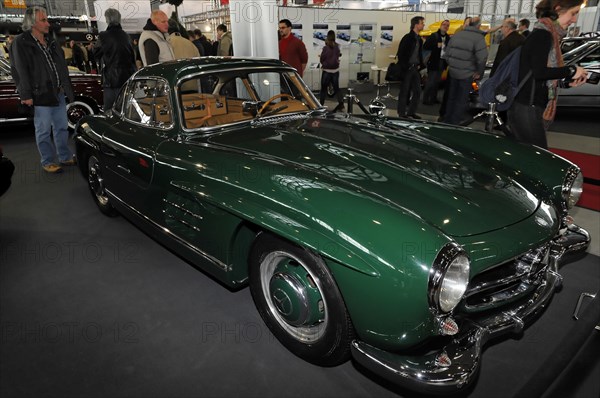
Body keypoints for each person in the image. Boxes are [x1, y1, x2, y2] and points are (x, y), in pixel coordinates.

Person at [507, 0, 587, 148]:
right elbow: (539, 72)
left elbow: (538, 74)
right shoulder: (543, 34)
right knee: (538, 159)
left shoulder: (544, 33)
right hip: (527, 107)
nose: (575, 19)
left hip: (526, 106)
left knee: (529, 157)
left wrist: (566, 82)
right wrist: (572, 70)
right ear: (557, 9)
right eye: (573, 13)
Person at [10, 6, 76, 173]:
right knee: (44, 130)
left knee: (61, 127)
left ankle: (64, 156)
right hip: (40, 95)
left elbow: (62, 67)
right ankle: (47, 161)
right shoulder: (21, 42)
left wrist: (67, 89)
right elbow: (19, 71)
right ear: (32, 23)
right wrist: (26, 94)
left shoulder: (51, 41)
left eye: (47, 19)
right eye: (43, 20)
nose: (48, 23)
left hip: (58, 93)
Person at [444, 17, 488, 125]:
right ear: (478, 26)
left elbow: (446, 54)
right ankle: (455, 122)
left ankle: (446, 120)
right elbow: (482, 58)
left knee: (451, 98)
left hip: (453, 72)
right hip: (467, 74)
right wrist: (479, 73)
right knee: (461, 100)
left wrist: (453, 65)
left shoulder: (457, 34)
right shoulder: (479, 38)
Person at [93, 8, 137, 110]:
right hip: (127, 78)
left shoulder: (104, 36)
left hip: (111, 80)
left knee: (109, 110)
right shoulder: (126, 36)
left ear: (107, 20)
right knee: (126, 109)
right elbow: (132, 57)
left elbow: (96, 53)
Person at [395, 16, 425, 118]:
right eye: (422, 23)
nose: (423, 25)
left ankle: (411, 112)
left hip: (415, 68)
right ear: (416, 25)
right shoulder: (407, 38)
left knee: (417, 91)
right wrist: (406, 66)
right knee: (405, 91)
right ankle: (402, 113)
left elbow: (419, 54)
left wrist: (421, 65)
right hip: (407, 68)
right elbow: (401, 54)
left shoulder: (419, 40)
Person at [422, 19, 450, 105]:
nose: (445, 26)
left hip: (442, 61)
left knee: (437, 81)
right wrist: (436, 45)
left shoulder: (448, 38)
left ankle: (433, 98)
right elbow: (425, 46)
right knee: (431, 81)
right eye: (444, 24)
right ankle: (426, 99)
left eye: (447, 25)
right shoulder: (434, 36)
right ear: (440, 26)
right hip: (434, 61)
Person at [319, 30, 344, 112]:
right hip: (335, 71)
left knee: (323, 89)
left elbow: (322, 58)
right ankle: (341, 104)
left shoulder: (326, 48)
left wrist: (324, 63)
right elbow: (338, 56)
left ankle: (320, 105)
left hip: (326, 71)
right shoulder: (337, 47)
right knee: (337, 88)